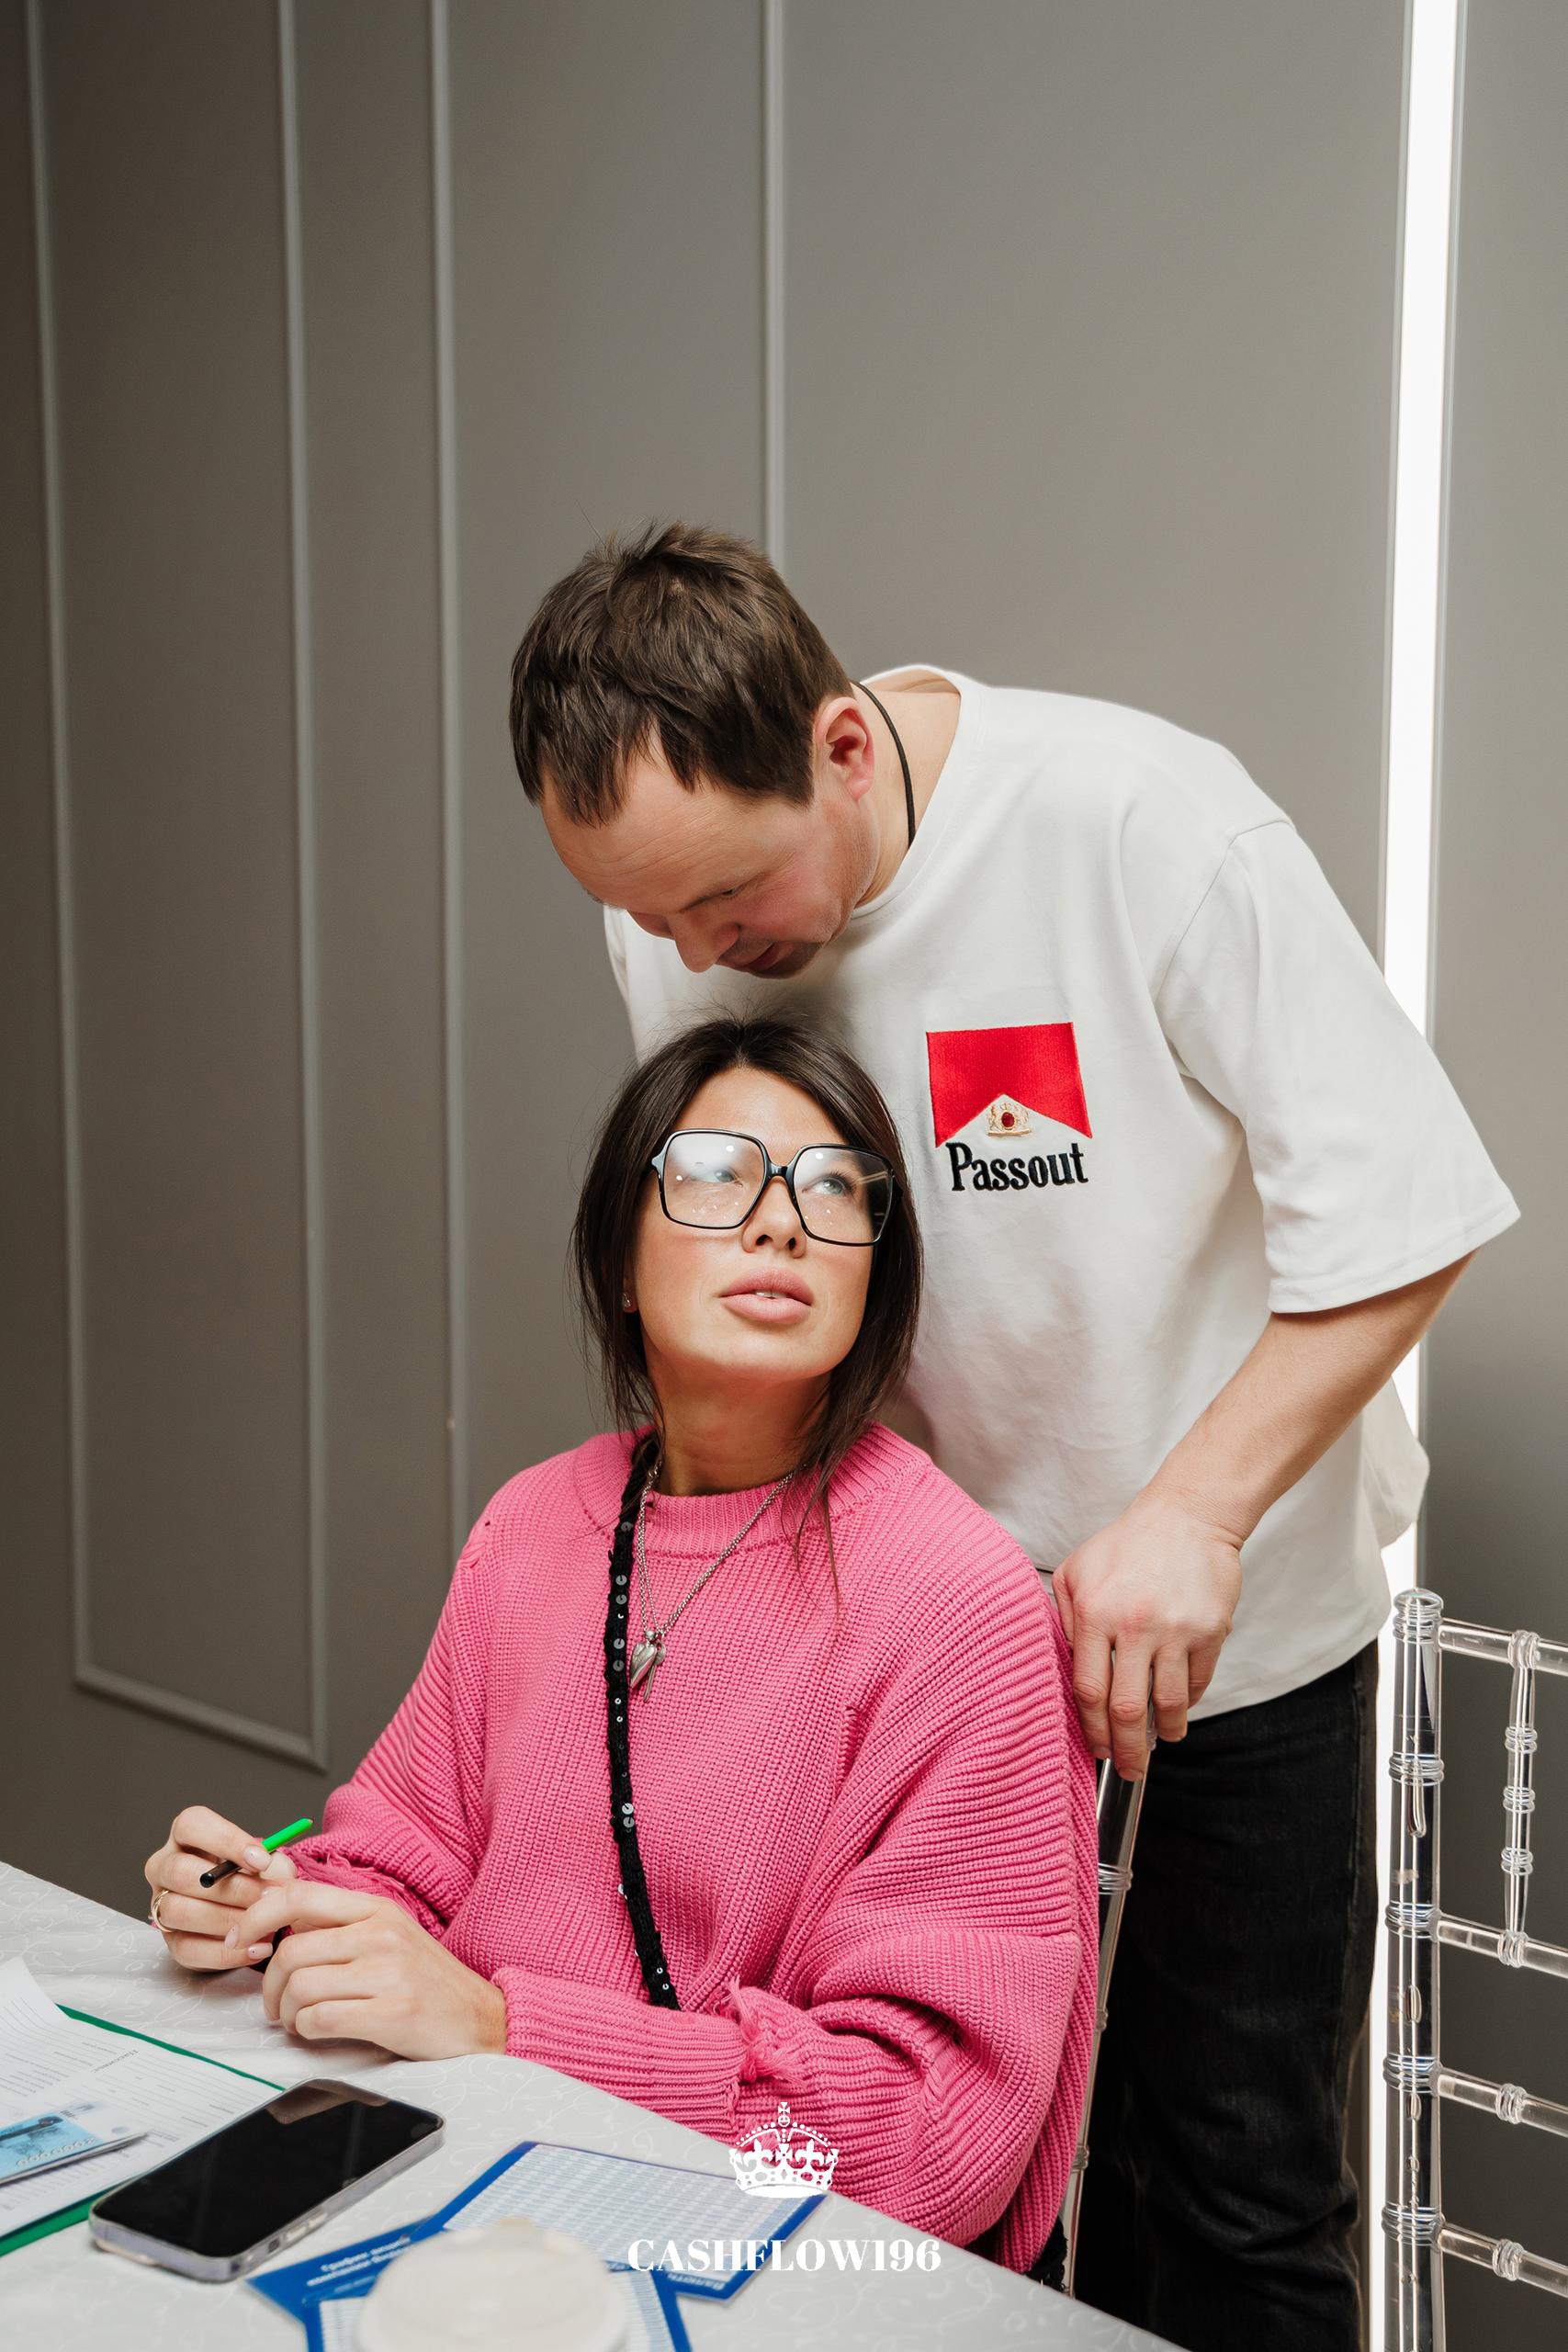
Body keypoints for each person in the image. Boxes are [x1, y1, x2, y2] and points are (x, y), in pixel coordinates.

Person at [507, 520, 1522, 2348]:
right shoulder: (675, 904)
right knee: (946, 2197)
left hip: (1228, 1634)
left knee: (1226, 2185)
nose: (690, 953)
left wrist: (1189, 1513)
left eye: (721, 899)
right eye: (646, 916)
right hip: (929, 1657)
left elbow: (1406, 1214)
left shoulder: (1140, 826)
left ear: (838, 746)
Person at [142, 1013, 1098, 2273]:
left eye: (833, 1188)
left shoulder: (960, 1601)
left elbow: (930, 2138)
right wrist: (277, 1910)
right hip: (473, 2195)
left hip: (762, 2267)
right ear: (620, 1263)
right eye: (713, 1174)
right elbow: (402, 1860)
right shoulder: (536, 1523)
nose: (781, 1222)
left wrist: (506, 2029)